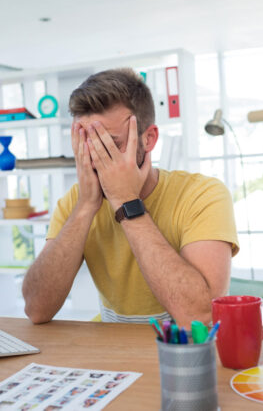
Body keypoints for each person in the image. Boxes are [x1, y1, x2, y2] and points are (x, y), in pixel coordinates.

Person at [22, 68, 239, 328]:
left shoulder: (203, 195)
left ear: (148, 139)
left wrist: (127, 203)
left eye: (110, 144)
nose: (95, 158)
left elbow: (202, 318)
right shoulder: (76, 202)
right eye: (86, 143)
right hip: (116, 354)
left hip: (187, 355)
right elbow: (36, 309)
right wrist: (85, 207)